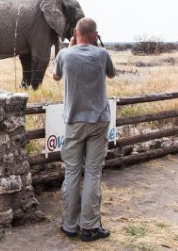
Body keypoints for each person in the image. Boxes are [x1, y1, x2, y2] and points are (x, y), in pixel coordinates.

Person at [53, 17, 116, 242]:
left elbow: (56, 76)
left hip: (73, 121)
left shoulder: (64, 55)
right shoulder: (102, 54)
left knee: (71, 172)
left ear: (75, 33)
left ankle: (70, 225)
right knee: (92, 172)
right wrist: (98, 46)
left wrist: (69, 48)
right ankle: (89, 227)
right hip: (98, 121)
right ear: (94, 34)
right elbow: (112, 74)